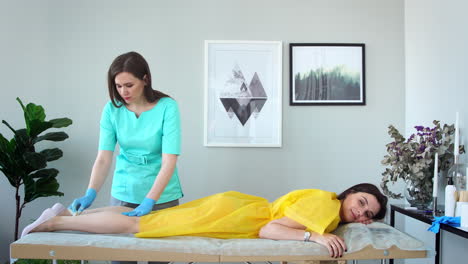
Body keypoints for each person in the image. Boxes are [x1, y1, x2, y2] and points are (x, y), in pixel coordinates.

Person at [24, 183, 387, 258]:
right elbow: (268, 230)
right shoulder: (326, 209)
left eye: (368, 214)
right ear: (349, 193)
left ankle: (68, 214)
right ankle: (53, 225)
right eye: (361, 202)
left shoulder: (323, 199)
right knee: (141, 226)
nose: (361, 213)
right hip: (239, 215)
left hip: (238, 204)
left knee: (146, 217)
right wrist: (316, 238)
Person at [68, 51, 183, 218]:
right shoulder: (111, 110)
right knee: (120, 242)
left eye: (129, 85)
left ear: (145, 80)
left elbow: (169, 161)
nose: (123, 92)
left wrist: (149, 200)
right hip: (124, 193)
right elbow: (103, 158)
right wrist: (90, 192)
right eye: (118, 86)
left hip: (162, 196)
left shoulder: (167, 107)